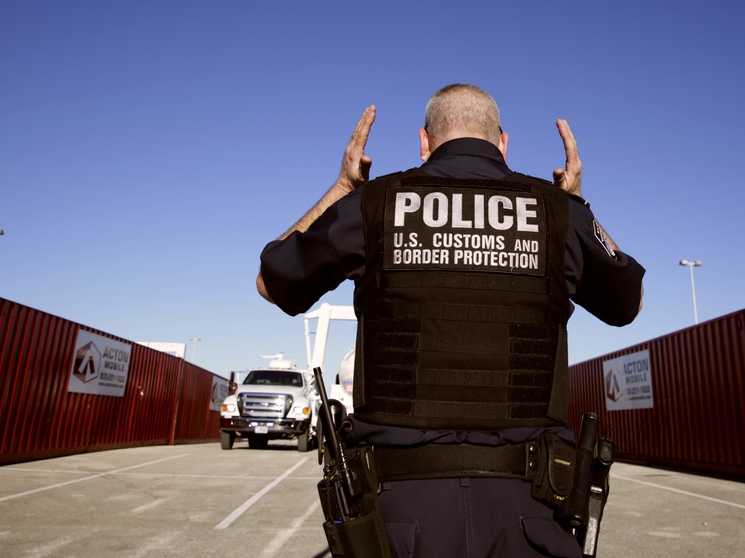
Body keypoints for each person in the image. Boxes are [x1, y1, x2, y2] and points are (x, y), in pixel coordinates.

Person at [257, 84, 644, 558]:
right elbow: (630, 301)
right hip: (530, 514)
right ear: (503, 144)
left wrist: (342, 188)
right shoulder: (556, 209)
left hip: (396, 521)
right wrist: (577, 208)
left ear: (424, 141)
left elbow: (271, 281)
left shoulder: (377, 203)